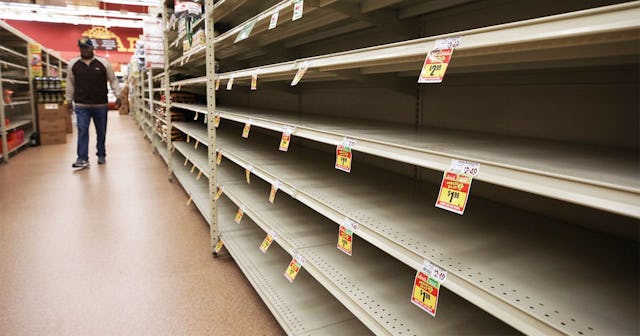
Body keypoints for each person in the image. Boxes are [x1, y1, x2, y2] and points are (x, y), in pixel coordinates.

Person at [65, 37, 121, 168]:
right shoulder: (73, 64)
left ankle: (101, 154)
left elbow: (112, 80)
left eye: (87, 47)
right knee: (82, 130)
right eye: (82, 48)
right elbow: (70, 83)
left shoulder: (103, 63)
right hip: (81, 104)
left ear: (92, 48)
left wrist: (118, 95)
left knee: (101, 131)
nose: (84, 50)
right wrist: (68, 99)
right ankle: (82, 158)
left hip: (100, 104)